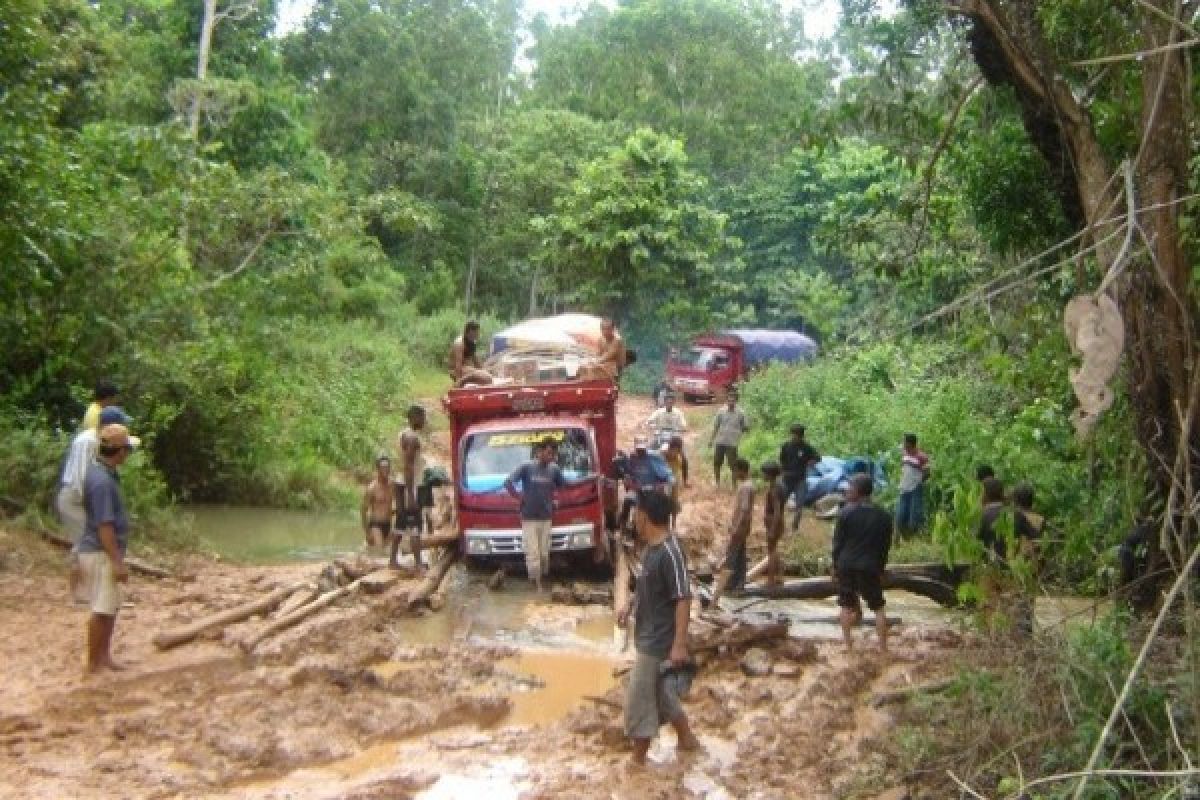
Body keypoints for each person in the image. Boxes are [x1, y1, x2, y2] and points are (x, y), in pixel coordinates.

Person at [617, 488, 699, 766]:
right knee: (661, 694)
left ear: (643, 516)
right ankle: (687, 740)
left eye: (636, 515)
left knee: (639, 697)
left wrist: (679, 643)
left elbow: (683, 598)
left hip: (658, 642)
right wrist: (630, 606)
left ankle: (637, 759)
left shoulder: (670, 552)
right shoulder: (652, 551)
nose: (634, 521)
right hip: (649, 635)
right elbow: (647, 588)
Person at [57, 407, 135, 597]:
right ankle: (80, 593)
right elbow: (85, 475)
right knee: (85, 543)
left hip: (78, 494)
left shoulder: (94, 439)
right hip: (76, 496)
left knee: (86, 541)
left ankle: (85, 591)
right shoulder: (90, 442)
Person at [77, 423, 135, 674]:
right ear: (119, 452)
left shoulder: (103, 473)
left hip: (104, 550)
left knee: (110, 606)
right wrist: (117, 562)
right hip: (101, 552)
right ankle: (93, 662)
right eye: (127, 449)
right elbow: (105, 526)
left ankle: (104, 657)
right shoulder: (102, 482)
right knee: (102, 609)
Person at [831, 474, 894, 654]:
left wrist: (835, 566)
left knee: (845, 604)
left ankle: (848, 646)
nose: (847, 490)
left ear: (858, 491)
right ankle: (883, 648)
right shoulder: (884, 516)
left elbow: (837, 544)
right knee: (878, 607)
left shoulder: (845, 513)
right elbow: (884, 546)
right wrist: (881, 568)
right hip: (869, 565)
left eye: (850, 487)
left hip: (846, 564)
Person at [504, 437, 568, 591]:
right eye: (549, 453)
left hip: (546, 517)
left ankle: (542, 578)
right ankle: (536, 584)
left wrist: (556, 500)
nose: (551, 457)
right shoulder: (526, 467)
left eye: (553, 454)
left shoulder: (554, 469)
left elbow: (563, 486)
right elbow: (507, 482)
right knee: (533, 554)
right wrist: (519, 498)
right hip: (529, 518)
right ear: (539, 452)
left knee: (544, 553)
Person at [711, 458, 755, 606]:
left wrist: (736, 527)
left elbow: (744, 510)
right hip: (743, 527)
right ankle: (738, 584)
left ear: (741, 470)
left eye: (735, 471)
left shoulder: (745, 488)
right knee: (740, 556)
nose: (734, 474)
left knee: (732, 557)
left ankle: (727, 585)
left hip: (740, 527)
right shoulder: (749, 486)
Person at [391, 405, 429, 571]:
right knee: (415, 524)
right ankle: (418, 562)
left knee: (400, 522)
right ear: (414, 417)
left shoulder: (404, 434)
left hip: (403, 483)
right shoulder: (412, 438)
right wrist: (411, 494)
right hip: (410, 485)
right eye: (422, 417)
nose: (424, 420)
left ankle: (393, 560)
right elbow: (408, 466)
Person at [618, 435, 675, 532]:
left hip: (653, 491)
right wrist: (628, 479)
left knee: (662, 508)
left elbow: (669, 477)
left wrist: (662, 485)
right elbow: (629, 473)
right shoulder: (632, 458)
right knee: (627, 500)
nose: (640, 452)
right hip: (638, 491)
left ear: (646, 447)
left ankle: (666, 530)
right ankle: (623, 527)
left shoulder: (654, 458)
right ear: (635, 447)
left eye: (642, 449)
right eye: (638, 449)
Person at [779, 424, 820, 531]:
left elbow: (817, 457)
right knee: (780, 503)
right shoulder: (786, 446)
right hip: (787, 479)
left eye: (797, 435)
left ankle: (794, 528)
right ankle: (779, 524)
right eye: (793, 435)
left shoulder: (806, 447)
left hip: (800, 480)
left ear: (801, 436)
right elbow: (781, 460)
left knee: (799, 505)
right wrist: (782, 473)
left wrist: (811, 462)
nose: (795, 437)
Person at [710, 391, 749, 489]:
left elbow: (745, 427)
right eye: (729, 400)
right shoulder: (721, 411)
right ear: (726, 400)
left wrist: (740, 435)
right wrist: (711, 440)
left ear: (736, 401)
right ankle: (717, 482)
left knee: (733, 465)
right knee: (717, 462)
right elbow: (716, 426)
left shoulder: (741, 413)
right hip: (720, 441)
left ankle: (734, 485)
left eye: (733, 400)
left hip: (732, 443)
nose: (731, 402)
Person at [895, 433, 930, 535]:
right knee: (901, 512)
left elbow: (927, 473)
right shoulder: (905, 454)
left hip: (915, 488)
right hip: (904, 487)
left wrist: (918, 481)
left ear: (910, 443)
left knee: (914, 512)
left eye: (904, 441)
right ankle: (901, 534)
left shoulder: (922, 457)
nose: (903, 443)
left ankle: (913, 535)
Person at [760, 461, 788, 586]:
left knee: (771, 551)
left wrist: (772, 529)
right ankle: (780, 577)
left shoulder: (775, 489)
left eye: (764, 473)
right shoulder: (780, 485)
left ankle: (770, 579)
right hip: (778, 521)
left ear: (770, 474)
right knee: (774, 550)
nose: (763, 476)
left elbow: (777, 510)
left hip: (774, 521)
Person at [360, 455, 394, 549]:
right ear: (378, 469)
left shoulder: (392, 485)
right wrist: (367, 533)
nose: (386, 470)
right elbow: (363, 511)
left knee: (388, 552)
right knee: (379, 551)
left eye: (388, 467)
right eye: (383, 467)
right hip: (376, 525)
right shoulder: (372, 488)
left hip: (388, 524)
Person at [450, 320, 492, 386]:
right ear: (471, 331)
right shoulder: (459, 343)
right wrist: (458, 380)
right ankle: (461, 381)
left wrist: (484, 370)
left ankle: (467, 379)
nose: (478, 334)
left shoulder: (472, 342)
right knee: (487, 378)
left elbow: (476, 361)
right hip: (457, 370)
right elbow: (458, 364)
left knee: (488, 376)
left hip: (467, 369)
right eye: (477, 332)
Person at [661, 435, 688, 531]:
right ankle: (664, 523)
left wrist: (685, 481)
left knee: (674, 502)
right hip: (663, 480)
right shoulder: (662, 453)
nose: (674, 453)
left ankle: (673, 524)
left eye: (677, 451)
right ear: (669, 447)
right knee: (663, 501)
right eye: (673, 450)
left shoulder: (681, 456)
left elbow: (685, 466)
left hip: (675, 480)